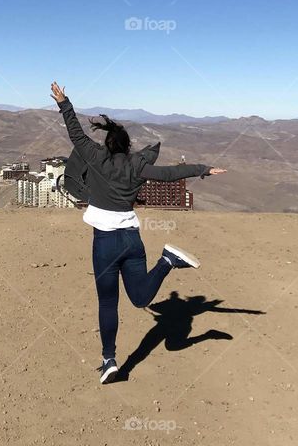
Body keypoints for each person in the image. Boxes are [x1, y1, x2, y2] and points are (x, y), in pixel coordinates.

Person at [50, 81, 227, 384]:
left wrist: (64, 103)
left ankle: (109, 360)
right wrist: (203, 169)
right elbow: (170, 173)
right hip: (132, 240)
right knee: (140, 299)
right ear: (129, 146)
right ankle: (167, 261)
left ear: (108, 144)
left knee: (108, 302)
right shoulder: (136, 166)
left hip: (105, 243)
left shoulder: (96, 157)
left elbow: (76, 134)